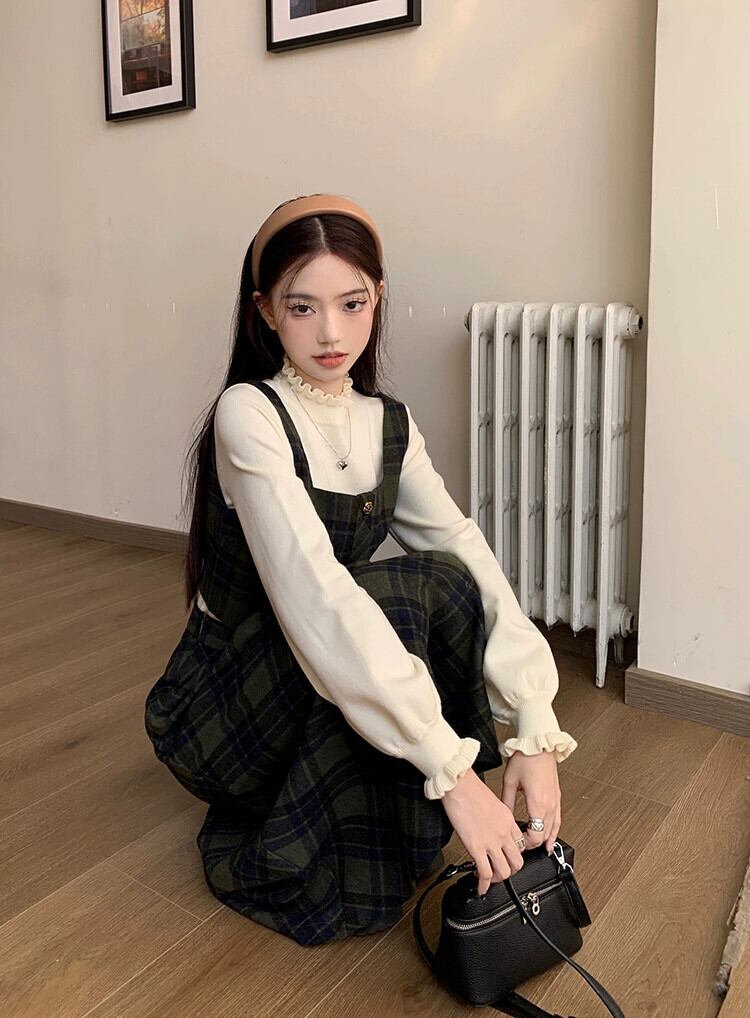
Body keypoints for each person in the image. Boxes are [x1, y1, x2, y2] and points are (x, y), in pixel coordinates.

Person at [144, 193, 578, 948]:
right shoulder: (249, 412)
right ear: (265, 311)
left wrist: (533, 727)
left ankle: (381, 822)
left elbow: (463, 549)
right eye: (302, 307)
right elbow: (316, 597)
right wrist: (453, 772)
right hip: (227, 701)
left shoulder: (387, 424)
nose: (332, 333)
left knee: (442, 578)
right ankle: (314, 841)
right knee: (389, 602)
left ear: (378, 297)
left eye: (352, 304)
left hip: (315, 665)